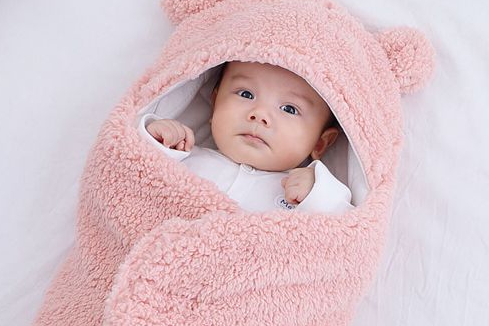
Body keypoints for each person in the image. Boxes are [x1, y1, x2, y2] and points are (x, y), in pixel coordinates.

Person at [138, 60, 353, 213]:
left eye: (289, 109)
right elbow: (136, 170)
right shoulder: (183, 155)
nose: (259, 115)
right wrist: (158, 138)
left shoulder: (305, 197)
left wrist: (318, 193)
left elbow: (343, 236)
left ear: (320, 142)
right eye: (246, 94)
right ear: (215, 104)